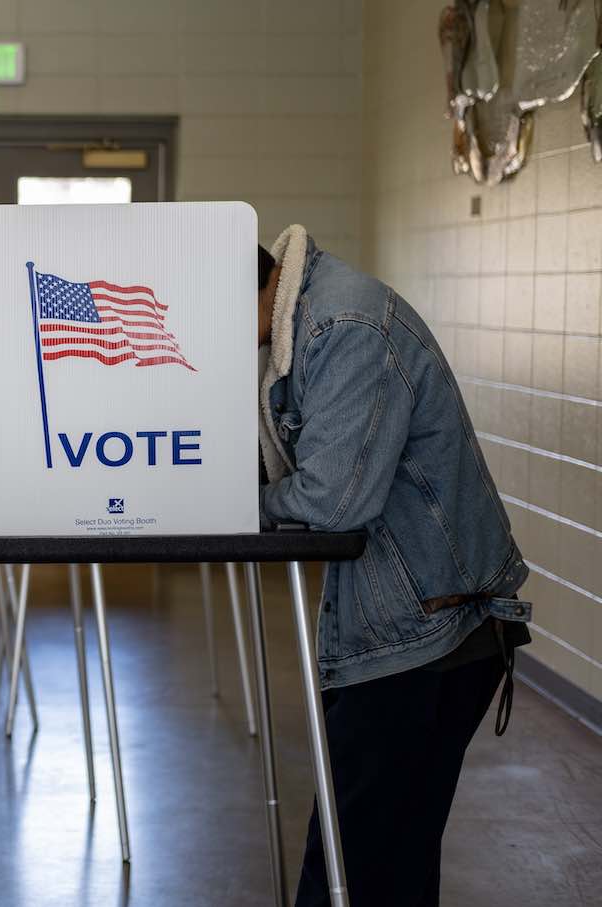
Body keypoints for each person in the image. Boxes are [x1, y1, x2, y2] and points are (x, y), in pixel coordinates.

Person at [255, 225, 531, 906]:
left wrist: (239, 502)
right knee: (390, 862)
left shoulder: (345, 326)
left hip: (430, 632)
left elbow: (333, 498)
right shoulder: (306, 319)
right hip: (414, 624)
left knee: (348, 866)